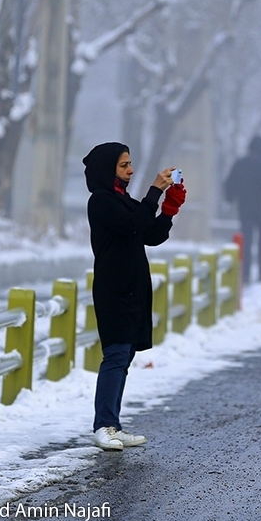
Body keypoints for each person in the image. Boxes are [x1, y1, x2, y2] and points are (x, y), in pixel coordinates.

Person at [82, 142, 186, 450]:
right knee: (115, 356)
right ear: (108, 169)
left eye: (130, 164)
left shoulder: (123, 200)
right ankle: (103, 426)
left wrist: (169, 208)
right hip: (114, 290)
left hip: (133, 289)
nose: (131, 170)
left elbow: (150, 234)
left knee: (124, 356)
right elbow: (134, 224)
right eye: (124, 165)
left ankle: (113, 423)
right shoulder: (100, 201)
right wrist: (155, 190)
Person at [224, 134, 261, 283]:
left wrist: (229, 197)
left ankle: (245, 274)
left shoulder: (241, 164)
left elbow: (230, 182)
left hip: (245, 208)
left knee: (246, 240)